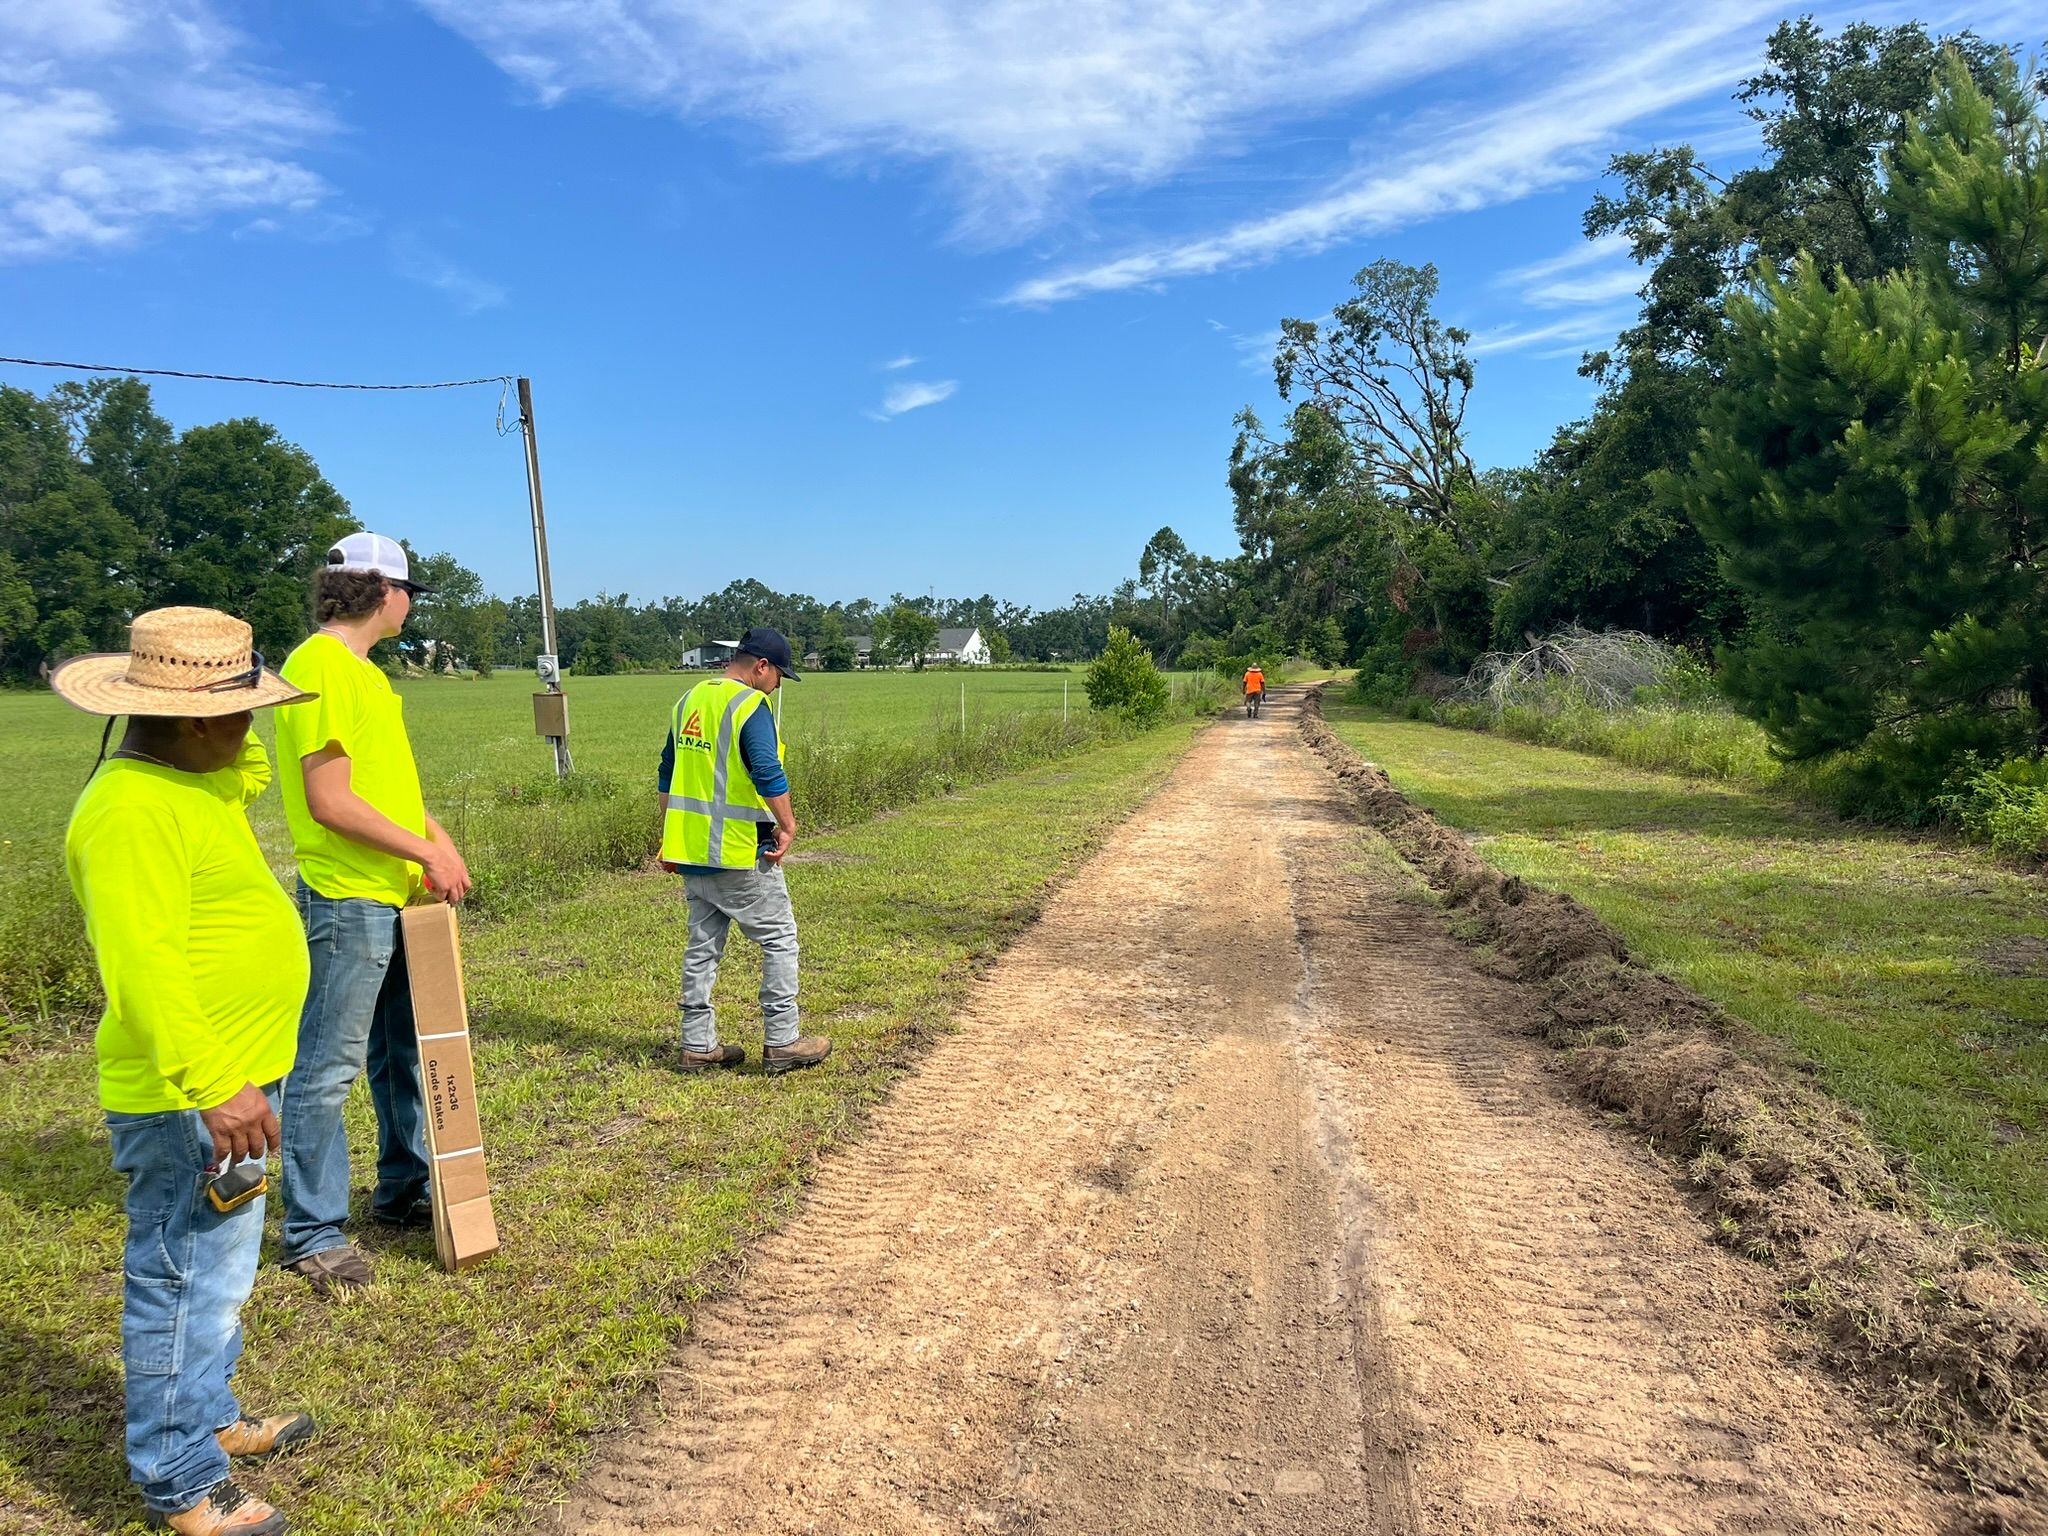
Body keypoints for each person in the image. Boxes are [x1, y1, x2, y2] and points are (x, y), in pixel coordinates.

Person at [58, 607, 321, 1536]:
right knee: (179, 1280)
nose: (256, 731)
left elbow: (244, 771)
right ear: (200, 720)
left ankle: (209, 1417)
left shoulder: (191, 781)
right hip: (192, 1099)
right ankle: (181, 1480)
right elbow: (144, 968)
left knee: (220, 1275)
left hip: (233, 1087)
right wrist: (214, 1081)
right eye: (245, 712)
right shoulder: (130, 812)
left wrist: (236, 1079)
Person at [273, 532, 472, 1298]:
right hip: (347, 898)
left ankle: (401, 1190)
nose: (412, 604)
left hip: (394, 894)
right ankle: (314, 1234)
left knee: (399, 1056)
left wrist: (436, 842)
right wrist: (424, 855)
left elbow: (388, 787)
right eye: (410, 591)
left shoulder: (366, 677)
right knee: (326, 1068)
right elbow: (331, 803)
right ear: (382, 592)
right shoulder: (318, 667)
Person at [657, 627, 831, 1074]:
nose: (777, 687)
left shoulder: (689, 700)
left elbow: (667, 774)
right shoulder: (749, 705)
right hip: (738, 852)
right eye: (779, 677)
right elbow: (766, 770)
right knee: (779, 940)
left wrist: (670, 836)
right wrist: (788, 825)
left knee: (702, 947)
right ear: (761, 667)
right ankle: (783, 1040)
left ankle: (697, 1044)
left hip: (692, 852)